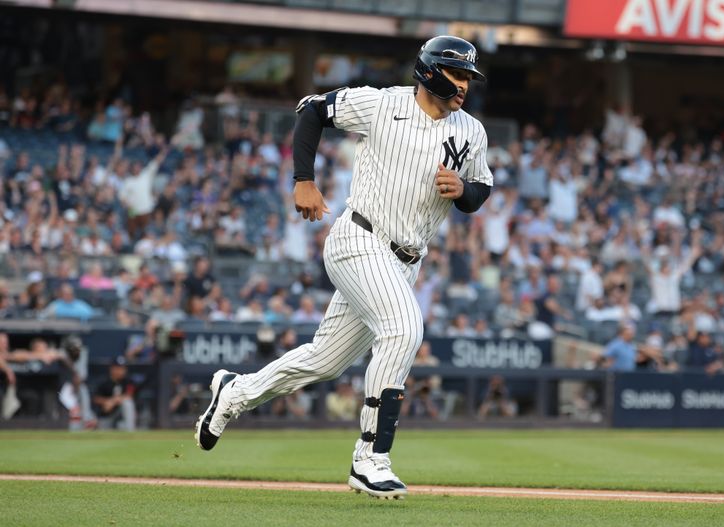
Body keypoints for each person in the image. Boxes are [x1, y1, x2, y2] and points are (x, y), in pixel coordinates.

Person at [195, 35, 491, 499]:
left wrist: (463, 190)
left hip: (405, 260)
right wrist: (303, 181)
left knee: (323, 361)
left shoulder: (472, 131)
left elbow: (480, 189)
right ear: (430, 71)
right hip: (360, 237)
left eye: (468, 78)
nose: (464, 86)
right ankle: (370, 456)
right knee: (403, 327)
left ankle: (233, 393)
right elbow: (311, 108)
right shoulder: (382, 104)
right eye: (457, 75)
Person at [92, 356, 136, 431]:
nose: (121, 371)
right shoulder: (104, 381)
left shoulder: (128, 381)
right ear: (112, 368)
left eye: (123, 368)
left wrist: (113, 401)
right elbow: (95, 398)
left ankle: (130, 432)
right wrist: (106, 402)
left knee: (127, 403)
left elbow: (129, 396)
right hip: (106, 415)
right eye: (118, 368)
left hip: (120, 416)